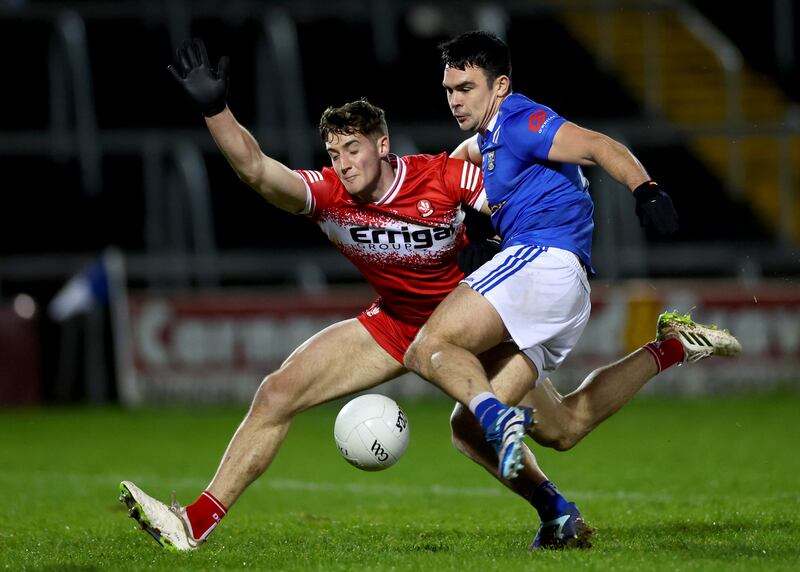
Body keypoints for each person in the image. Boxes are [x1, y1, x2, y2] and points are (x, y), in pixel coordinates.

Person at [120, 38, 586, 553]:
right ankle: (194, 525)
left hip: (475, 326)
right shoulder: (328, 196)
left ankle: (558, 507)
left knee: (557, 429)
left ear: (383, 145)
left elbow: (513, 206)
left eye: (353, 148)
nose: (342, 163)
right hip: (396, 324)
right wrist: (215, 110)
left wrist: (487, 238)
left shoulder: (442, 176)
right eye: (334, 153)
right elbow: (256, 170)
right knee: (279, 391)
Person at [403, 30, 742, 539]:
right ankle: (665, 352)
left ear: (500, 86)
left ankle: (504, 422)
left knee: (429, 345)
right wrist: (472, 223)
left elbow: (598, 145)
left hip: (542, 263)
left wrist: (645, 188)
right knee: (537, 428)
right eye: (449, 89)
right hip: (558, 285)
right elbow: (459, 164)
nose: (455, 100)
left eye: (466, 88)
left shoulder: (520, 119)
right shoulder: (488, 138)